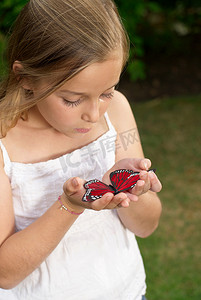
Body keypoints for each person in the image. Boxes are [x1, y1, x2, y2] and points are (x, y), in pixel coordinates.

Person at [0, 0, 162, 299]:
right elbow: (5, 273)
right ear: (25, 77)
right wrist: (70, 205)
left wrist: (134, 191)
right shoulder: (4, 144)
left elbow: (146, 227)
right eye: (73, 99)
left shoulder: (117, 111)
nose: (94, 114)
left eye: (106, 92)